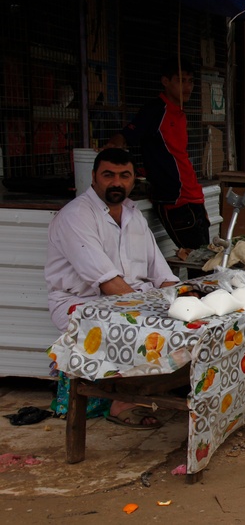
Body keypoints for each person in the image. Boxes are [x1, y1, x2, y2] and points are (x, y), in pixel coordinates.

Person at [45, 148, 180, 428]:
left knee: (188, 321)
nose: (116, 182)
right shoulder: (76, 216)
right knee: (140, 326)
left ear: (133, 180)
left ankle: (162, 386)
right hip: (81, 304)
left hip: (129, 298)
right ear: (94, 177)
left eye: (124, 176)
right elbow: (108, 283)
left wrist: (184, 303)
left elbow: (162, 274)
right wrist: (154, 312)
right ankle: (122, 403)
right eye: (108, 175)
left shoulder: (134, 215)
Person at [108, 58, 209, 253]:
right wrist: (113, 146)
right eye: (180, 81)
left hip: (194, 195)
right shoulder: (155, 110)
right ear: (165, 82)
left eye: (190, 81)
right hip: (175, 200)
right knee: (199, 260)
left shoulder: (179, 113)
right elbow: (125, 135)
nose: (187, 87)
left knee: (205, 259)